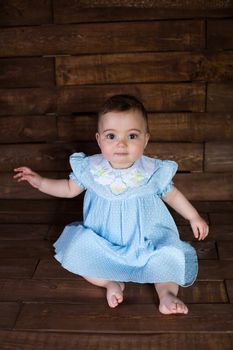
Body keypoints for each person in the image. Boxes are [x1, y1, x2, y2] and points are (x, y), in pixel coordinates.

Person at [14, 94, 209, 315]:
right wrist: (40, 182)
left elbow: (172, 195)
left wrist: (193, 216)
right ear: (99, 140)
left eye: (132, 135)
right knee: (79, 253)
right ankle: (109, 283)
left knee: (168, 257)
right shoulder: (91, 169)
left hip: (146, 240)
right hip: (104, 241)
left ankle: (166, 294)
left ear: (145, 139)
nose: (121, 143)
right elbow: (68, 189)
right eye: (111, 135)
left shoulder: (152, 171)